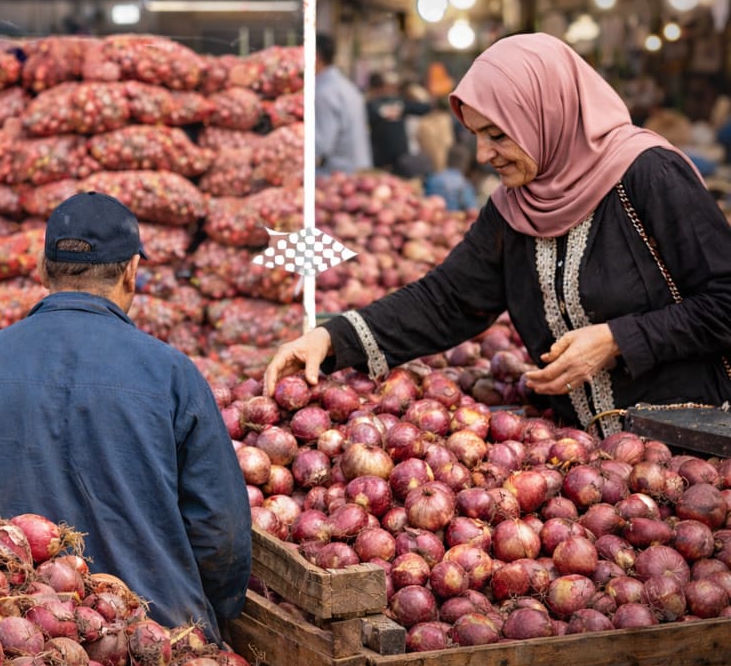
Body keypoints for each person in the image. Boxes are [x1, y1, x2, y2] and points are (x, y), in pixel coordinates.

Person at [265, 32, 731, 437]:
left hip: (692, 446)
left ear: (545, 115)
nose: (483, 153)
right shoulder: (513, 208)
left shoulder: (648, 173)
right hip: (589, 468)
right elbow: (445, 301)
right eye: (476, 134)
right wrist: (330, 340)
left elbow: (725, 300)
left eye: (498, 135)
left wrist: (617, 339)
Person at [0, 192, 252, 641]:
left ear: (42, 269)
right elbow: (220, 534)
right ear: (131, 271)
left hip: (9, 641)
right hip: (152, 644)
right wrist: (216, 610)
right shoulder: (173, 374)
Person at [315, 33, 372, 175]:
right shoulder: (347, 86)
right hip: (357, 169)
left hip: (335, 174)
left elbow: (323, 145)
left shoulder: (324, 93)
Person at [422, 142, 478, 212]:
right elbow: (472, 212)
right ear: (465, 163)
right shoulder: (465, 185)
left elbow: (424, 202)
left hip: (430, 220)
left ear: (447, 159)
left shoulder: (432, 178)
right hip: (454, 220)